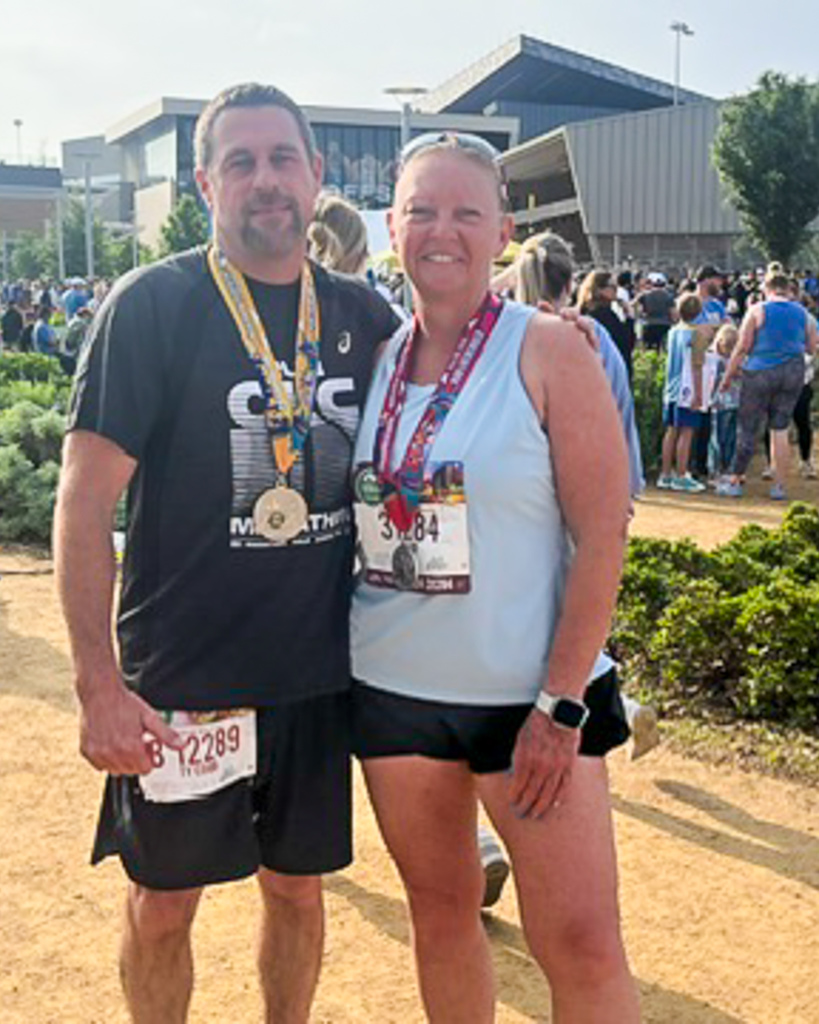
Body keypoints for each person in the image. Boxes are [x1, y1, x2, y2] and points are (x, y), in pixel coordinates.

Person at [53, 82, 399, 1024]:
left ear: (316, 176)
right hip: (185, 678)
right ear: (206, 182)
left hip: (316, 675)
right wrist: (98, 686)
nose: (265, 181)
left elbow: (469, 379)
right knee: (164, 903)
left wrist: (554, 334)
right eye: (239, 162)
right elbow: (84, 509)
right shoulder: (153, 306)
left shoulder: (364, 319)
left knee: (297, 890)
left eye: (282, 159)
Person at [350, 133, 640, 1022]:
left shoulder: (551, 350)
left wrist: (561, 705)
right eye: (422, 211)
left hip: (530, 707)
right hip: (391, 692)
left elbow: (602, 535)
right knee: (440, 920)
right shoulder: (370, 361)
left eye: (466, 212)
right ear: (393, 227)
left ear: (502, 230)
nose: (443, 230)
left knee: (580, 947)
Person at [717, 263, 817, 499]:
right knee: (780, 428)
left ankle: (735, 480)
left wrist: (728, 376)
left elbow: (742, 347)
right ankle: (779, 486)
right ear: (787, 289)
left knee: (748, 427)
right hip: (792, 372)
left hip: (760, 371)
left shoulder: (757, 310)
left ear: (767, 288)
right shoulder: (803, 313)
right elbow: (812, 347)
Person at [657, 293, 711, 492]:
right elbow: (697, 366)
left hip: (671, 388)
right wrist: (698, 394)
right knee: (686, 432)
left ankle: (665, 474)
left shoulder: (673, 331)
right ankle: (681, 474)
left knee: (671, 431)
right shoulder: (696, 334)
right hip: (687, 388)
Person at [577, 268, 635, 381]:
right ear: (599, 290)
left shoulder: (585, 311)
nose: (616, 290)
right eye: (612, 287)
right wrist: (629, 319)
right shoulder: (605, 315)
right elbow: (625, 343)